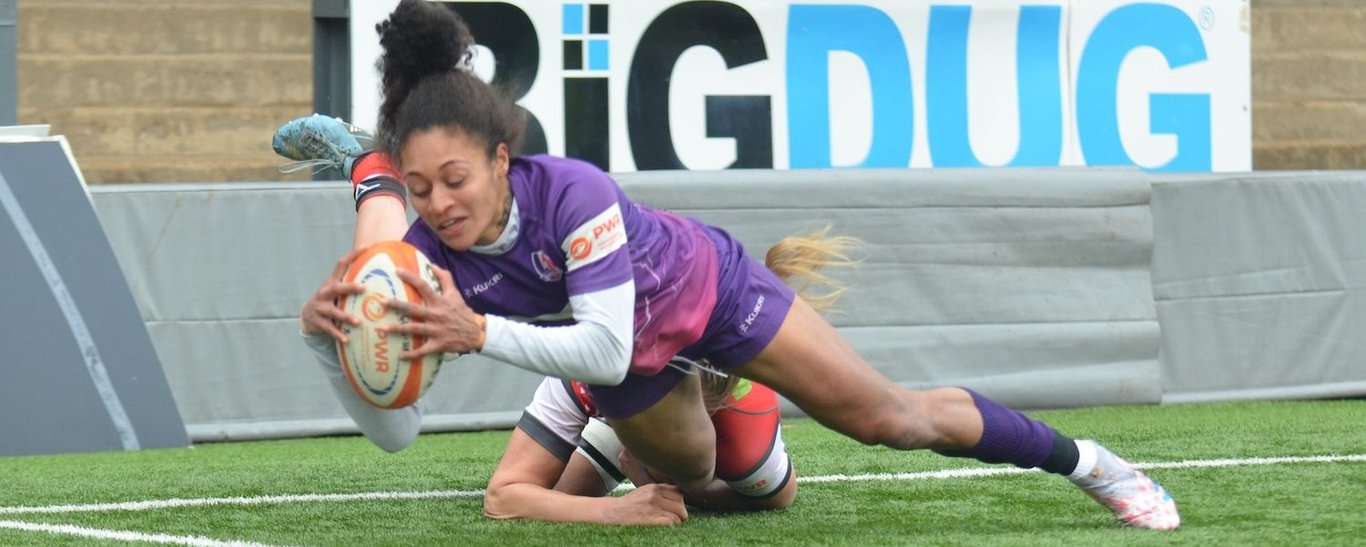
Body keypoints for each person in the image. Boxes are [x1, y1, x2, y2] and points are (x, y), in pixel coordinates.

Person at [289, 0, 1179, 531]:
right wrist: (332, 350)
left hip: (704, 292)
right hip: (634, 364)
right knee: (695, 477)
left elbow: (595, 348)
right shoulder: (423, 256)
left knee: (891, 419)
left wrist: (478, 331)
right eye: (421, 187)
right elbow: (397, 431)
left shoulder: (574, 192)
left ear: (501, 156)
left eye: (456, 179)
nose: (442, 204)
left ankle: (1091, 464)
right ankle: (370, 169)